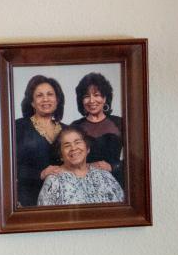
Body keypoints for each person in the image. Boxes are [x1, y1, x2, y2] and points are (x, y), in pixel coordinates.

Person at [13, 75, 67, 208]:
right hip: (27, 198)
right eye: (39, 95)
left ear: (57, 100)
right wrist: (40, 174)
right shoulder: (17, 127)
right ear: (32, 102)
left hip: (60, 198)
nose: (46, 99)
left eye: (50, 94)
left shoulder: (67, 130)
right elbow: (7, 168)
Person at [36, 126, 124, 206]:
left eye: (77, 142)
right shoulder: (53, 181)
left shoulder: (105, 175)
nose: (73, 148)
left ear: (87, 148)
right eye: (67, 145)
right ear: (61, 155)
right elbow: (46, 218)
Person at [70, 72, 125, 188]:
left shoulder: (121, 123)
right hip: (82, 184)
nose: (91, 100)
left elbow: (135, 159)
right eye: (86, 96)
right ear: (81, 100)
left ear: (104, 98)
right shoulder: (74, 127)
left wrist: (113, 166)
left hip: (116, 182)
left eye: (96, 95)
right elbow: (66, 160)